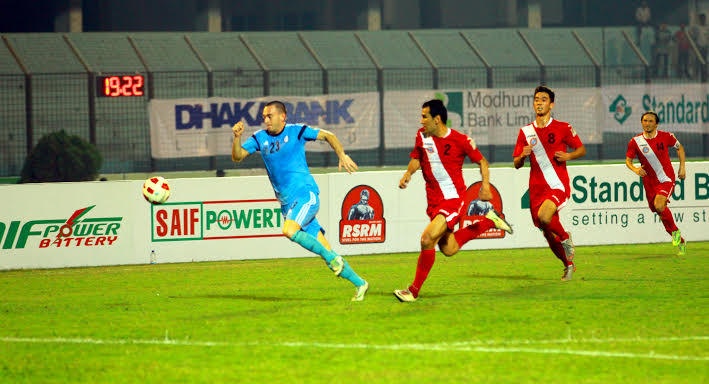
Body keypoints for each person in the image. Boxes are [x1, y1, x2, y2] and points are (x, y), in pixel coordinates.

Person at [231, 101, 369, 301]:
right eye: (264, 117)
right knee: (327, 251)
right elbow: (237, 157)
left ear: (282, 117)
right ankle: (361, 283)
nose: (265, 120)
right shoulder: (259, 139)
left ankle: (334, 260)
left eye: (269, 116)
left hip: (305, 195)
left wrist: (342, 154)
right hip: (289, 205)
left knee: (288, 230)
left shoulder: (297, 131)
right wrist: (237, 137)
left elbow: (328, 136)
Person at [393, 99, 512, 303]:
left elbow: (482, 161)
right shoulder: (421, 136)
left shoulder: (461, 140)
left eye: (424, 117)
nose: (421, 121)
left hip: (453, 199)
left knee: (427, 239)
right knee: (449, 249)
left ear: (437, 119)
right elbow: (417, 158)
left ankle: (413, 290)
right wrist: (408, 174)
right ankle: (490, 220)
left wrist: (485, 186)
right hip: (433, 201)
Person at [513, 86, 586, 281]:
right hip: (536, 189)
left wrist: (568, 155)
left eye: (543, 99)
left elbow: (581, 149)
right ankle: (568, 265)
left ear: (551, 104)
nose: (539, 102)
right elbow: (516, 164)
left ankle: (564, 237)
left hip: (557, 184)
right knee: (546, 232)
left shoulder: (563, 127)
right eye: (536, 99)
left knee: (545, 217)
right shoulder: (526, 132)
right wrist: (522, 155)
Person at [625, 111, 687, 255]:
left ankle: (676, 237)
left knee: (659, 205)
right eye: (645, 120)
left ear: (656, 124)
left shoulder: (666, 137)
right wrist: (635, 169)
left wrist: (682, 167)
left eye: (650, 121)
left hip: (666, 178)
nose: (647, 123)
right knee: (660, 211)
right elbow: (628, 160)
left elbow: (680, 148)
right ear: (642, 122)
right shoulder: (635, 141)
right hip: (649, 182)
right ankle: (678, 238)